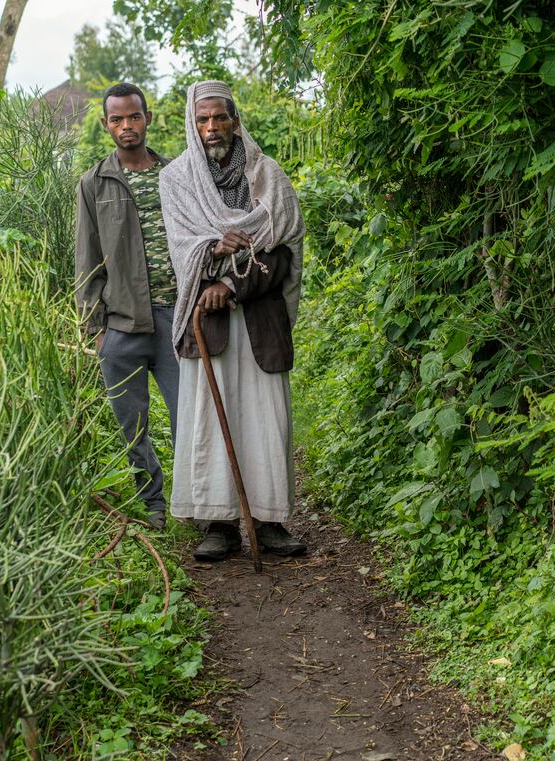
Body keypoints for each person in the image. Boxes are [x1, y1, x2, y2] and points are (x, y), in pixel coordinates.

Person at [158, 79, 306, 560]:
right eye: (202, 119)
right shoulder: (177, 180)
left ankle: (268, 522)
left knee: (265, 420)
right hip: (208, 323)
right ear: (191, 124)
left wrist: (233, 285)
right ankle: (218, 525)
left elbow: (282, 252)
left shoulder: (269, 177)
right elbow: (183, 252)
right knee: (208, 419)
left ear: (235, 121)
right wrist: (212, 249)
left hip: (259, 317)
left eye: (220, 117)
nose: (211, 127)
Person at [74, 82, 178, 529]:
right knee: (132, 427)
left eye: (133, 116)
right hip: (121, 326)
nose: (126, 126)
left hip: (178, 320)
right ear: (105, 125)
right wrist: (95, 328)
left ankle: (203, 508)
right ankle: (152, 503)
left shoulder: (177, 174)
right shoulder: (94, 183)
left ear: (148, 118)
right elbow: (86, 258)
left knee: (190, 421)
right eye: (116, 119)